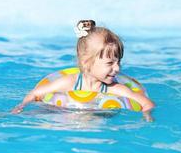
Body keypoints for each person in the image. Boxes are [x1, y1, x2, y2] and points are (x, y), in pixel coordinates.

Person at [12, 20, 155, 122]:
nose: (117, 68)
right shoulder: (69, 82)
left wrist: (147, 116)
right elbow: (36, 93)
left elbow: (147, 103)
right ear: (86, 62)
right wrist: (22, 106)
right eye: (110, 63)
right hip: (62, 117)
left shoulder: (116, 89)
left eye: (118, 62)